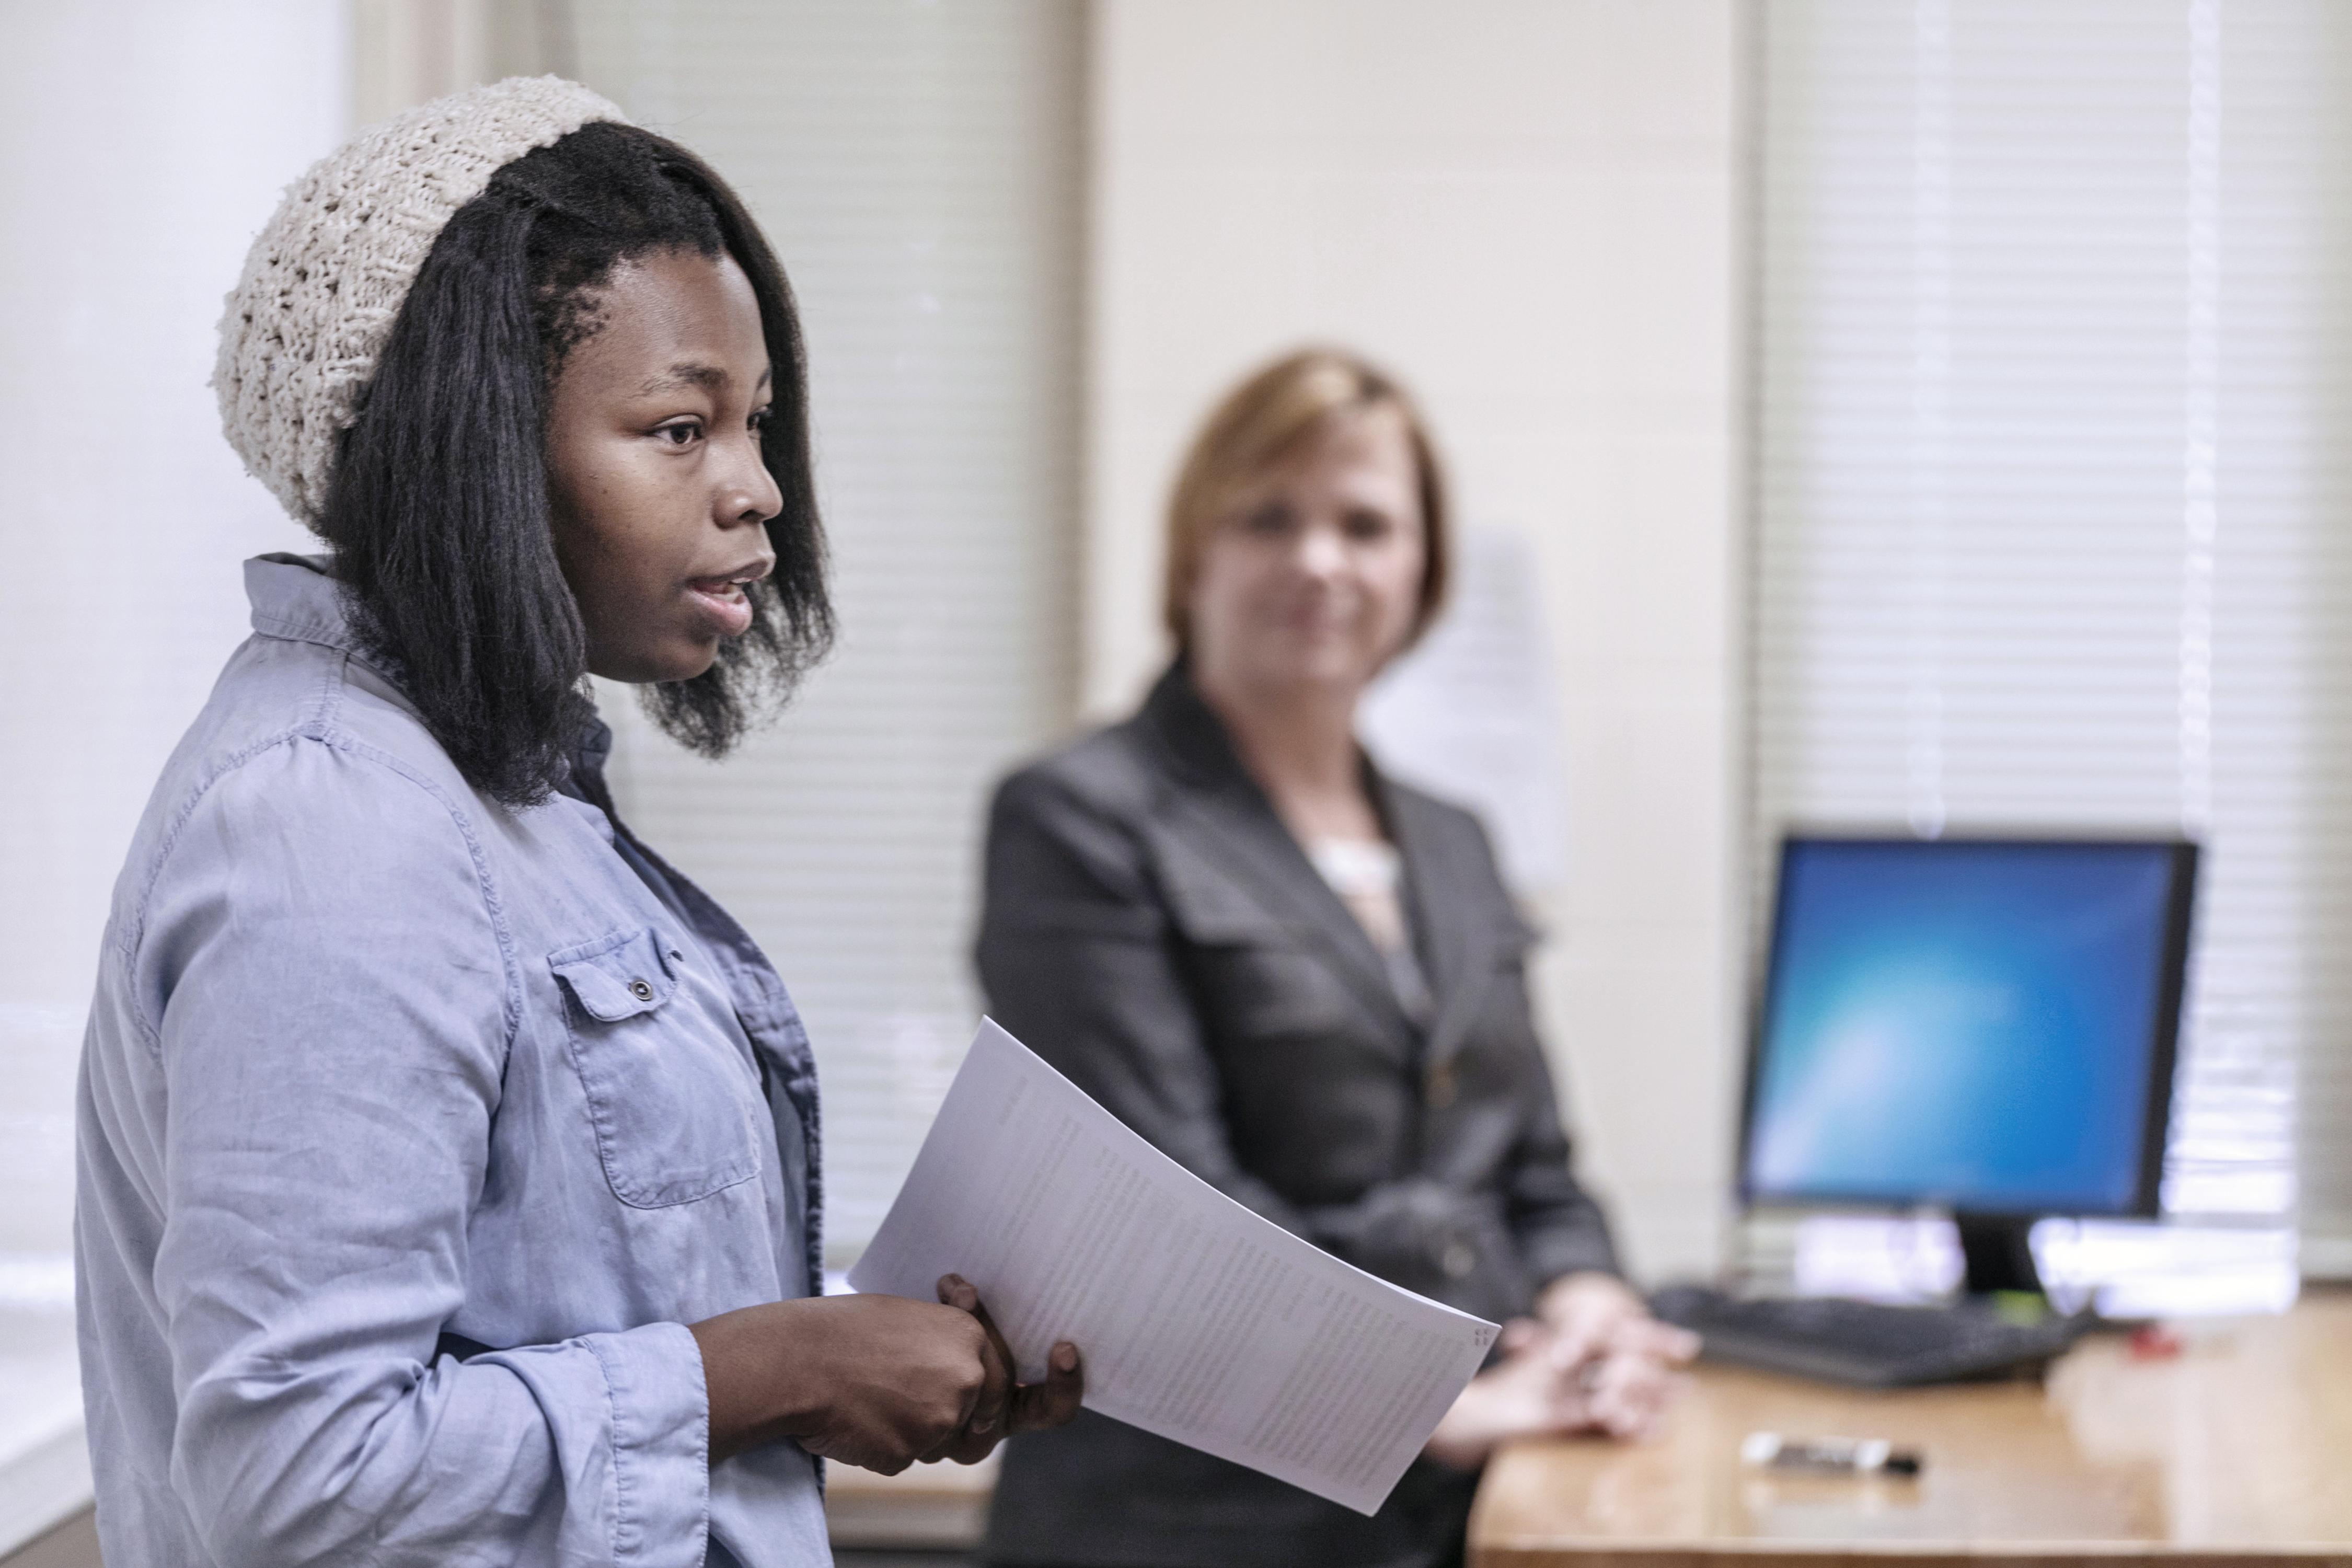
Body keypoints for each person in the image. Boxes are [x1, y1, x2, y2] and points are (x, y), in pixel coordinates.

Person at [74, 78, 1079, 1568]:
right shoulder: (329, 828)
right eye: (677, 429)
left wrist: (843, 1362)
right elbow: (302, 1481)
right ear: (469, 448)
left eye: (754, 424)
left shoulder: (497, 792)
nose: (757, 492)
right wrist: (786, 1368)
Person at [975, 348, 1697, 1567]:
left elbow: (1537, 1170)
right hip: (1197, 1521)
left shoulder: (1455, 844)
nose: (1321, 561)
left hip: (1457, 1509)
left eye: (1366, 525)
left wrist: (1596, 1312)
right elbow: (1171, 1224)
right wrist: (1435, 1409)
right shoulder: (1079, 818)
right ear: (1193, 553)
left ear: (1422, 575)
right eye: (1270, 519)